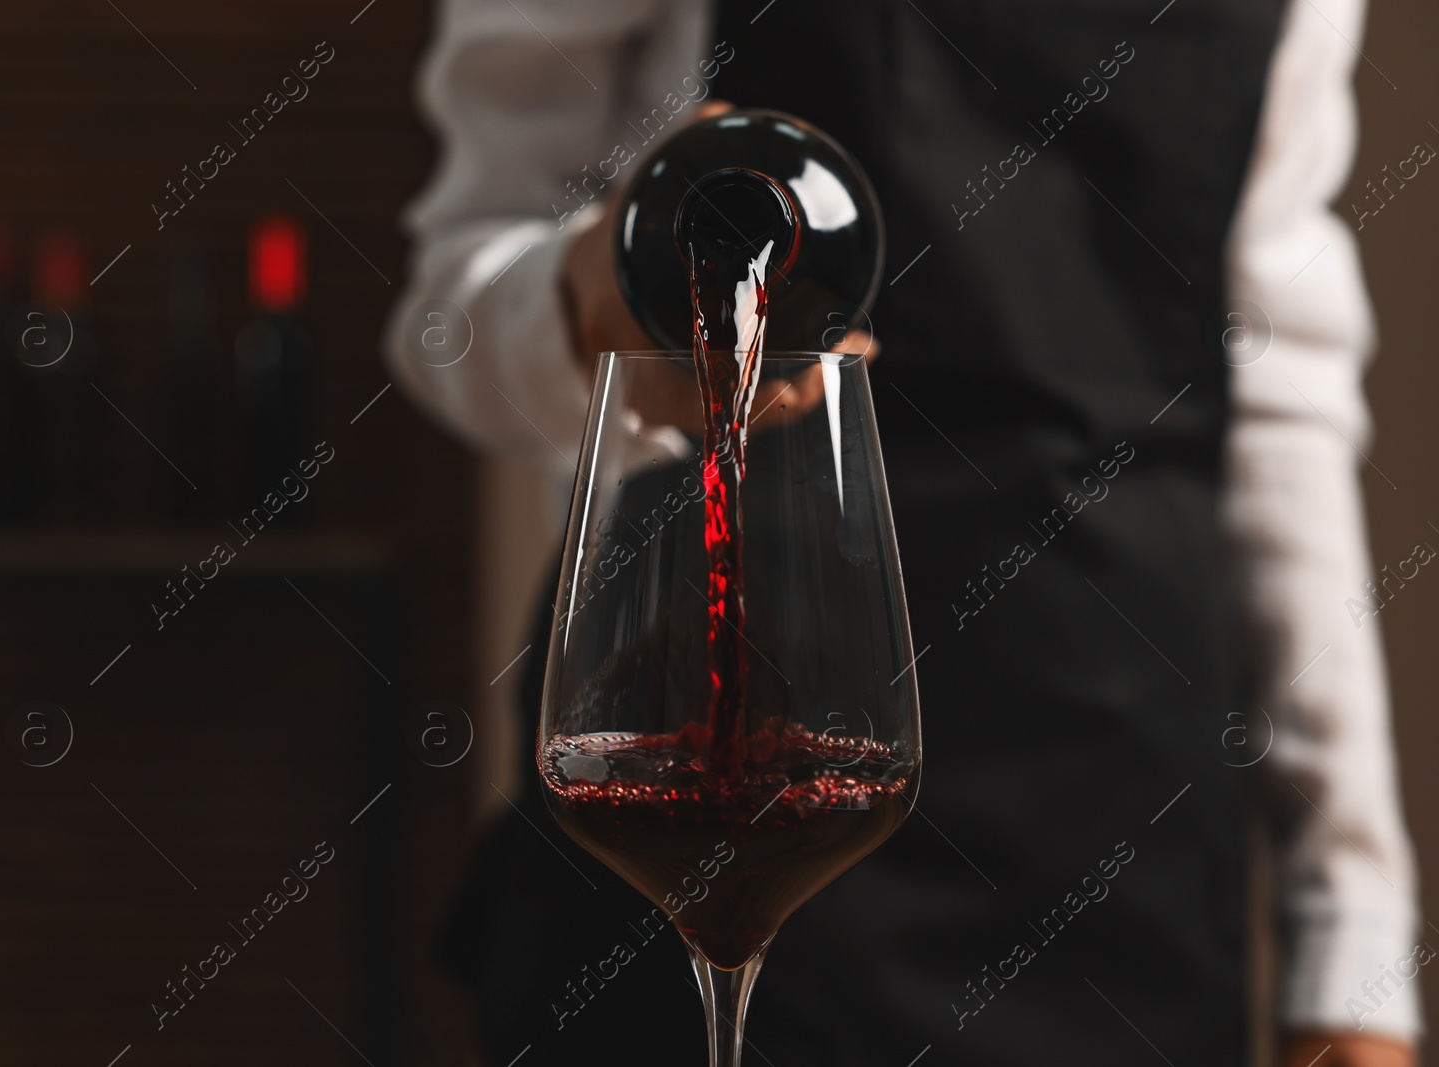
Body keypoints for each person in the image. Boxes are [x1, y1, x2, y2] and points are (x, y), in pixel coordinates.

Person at [384, 0, 1425, 1063]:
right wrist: (585, 300)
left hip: (1121, 844)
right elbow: (449, 302)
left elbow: (1280, 391)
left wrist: (1350, 924)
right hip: (705, 791)